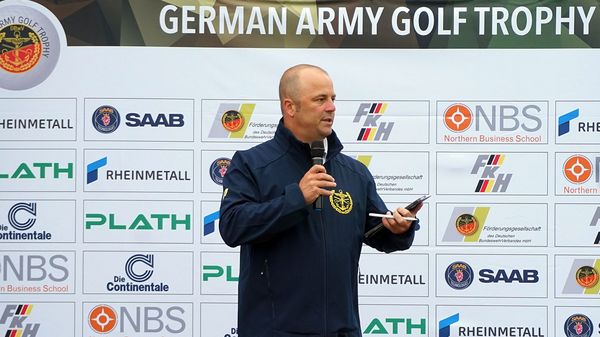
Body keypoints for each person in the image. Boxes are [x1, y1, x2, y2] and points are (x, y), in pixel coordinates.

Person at [219, 64, 421, 337]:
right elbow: (232, 227)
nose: (331, 107)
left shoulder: (354, 172)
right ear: (290, 107)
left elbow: (376, 232)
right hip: (274, 331)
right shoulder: (251, 164)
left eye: (333, 99)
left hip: (342, 330)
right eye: (320, 99)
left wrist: (398, 229)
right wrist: (296, 199)